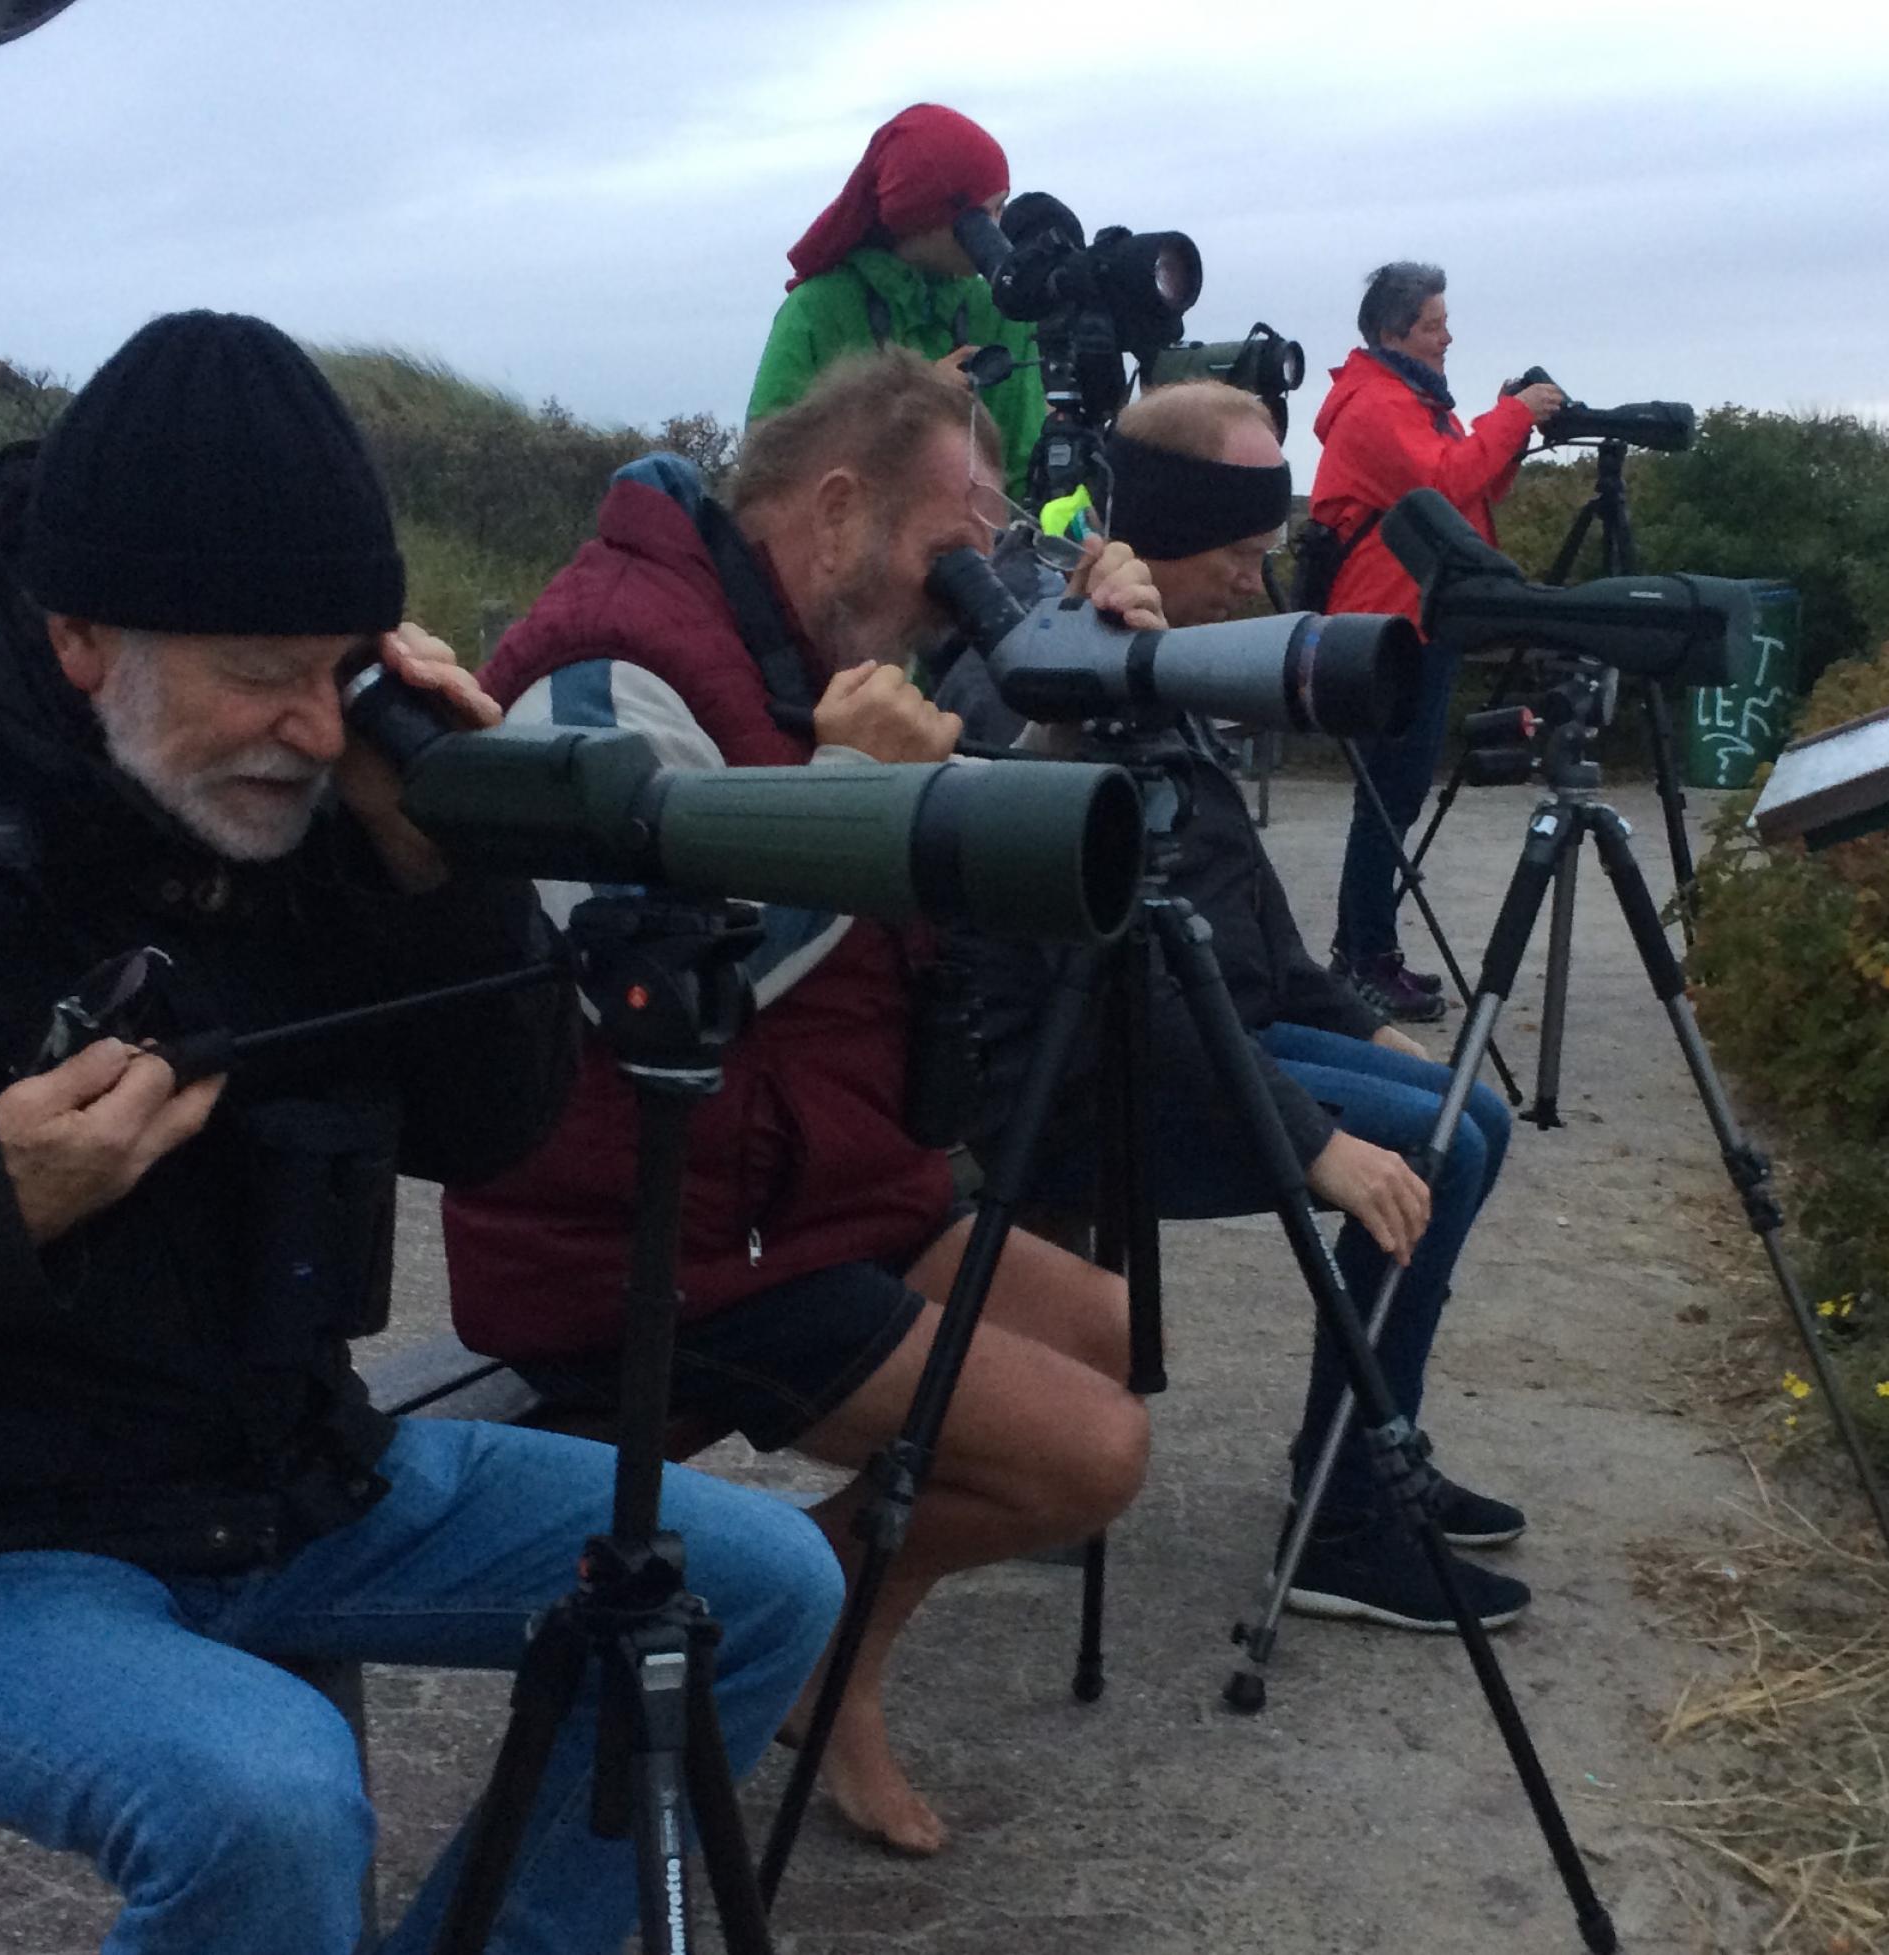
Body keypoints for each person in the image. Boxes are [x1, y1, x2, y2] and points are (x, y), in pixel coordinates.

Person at [0, 310, 843, 1955]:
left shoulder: (317, 794)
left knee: (761, 1581)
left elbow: (498, 1133)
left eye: (341, 666)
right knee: (269, 1797)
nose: (315, 725)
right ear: (82, 635)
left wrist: (445, 866)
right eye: (262, 676)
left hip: (282, 1482)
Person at [443, 348, 1162, 1859]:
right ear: (836, 509)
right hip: (648, 1243)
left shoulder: (782, 641)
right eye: (946, 543)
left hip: (807, 1198)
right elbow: (638, 990)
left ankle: (823, 1635)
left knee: (1108, 1327)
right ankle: (812, 1627)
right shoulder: (607, 663)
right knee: (1087, 1452)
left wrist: (1084, 699)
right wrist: (852, 793)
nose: (954, 584)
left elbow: (956, 879)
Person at [937, 379, 1531, 1632]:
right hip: (1095, 1079)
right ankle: (1349, 1518)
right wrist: (1318, 1145)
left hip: (1210, 1029)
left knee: (1466, 1119)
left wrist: (1356, 1016)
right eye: (1245, 557)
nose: (1261, 589)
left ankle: (1368, 1456)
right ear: (1170, 534)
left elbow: (1239, 906)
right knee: (1432, 1149)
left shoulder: (1154, 647)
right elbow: (1112, 988)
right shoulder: (1056, 673)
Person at [1310, 260, 1565, 1023]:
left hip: (1417, 615)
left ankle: (1367, 953)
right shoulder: (1379, 405)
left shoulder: (1410, 399)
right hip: (1393, 623)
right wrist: (1512, 415)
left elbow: (1475, 484)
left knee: (1396, 794)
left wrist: (1504, 421)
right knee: (1387, 799)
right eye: (1432, 323)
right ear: (1393, 331)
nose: (1446, 335)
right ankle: (1361, 959)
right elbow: (1446, 481)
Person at [746, 102, 1046, 502]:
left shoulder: (999, 310)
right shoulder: (817, 308)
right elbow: (764, 463)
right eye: (983, 216)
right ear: (924, 213)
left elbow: (1026, 466)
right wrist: (908, 402)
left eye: (1002, 208)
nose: (996, 233)